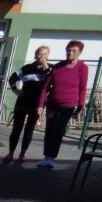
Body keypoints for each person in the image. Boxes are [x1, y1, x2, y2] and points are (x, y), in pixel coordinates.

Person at [36, 40, 89, 170]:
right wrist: (41, 105)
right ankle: (46, 157)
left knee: (58, 130)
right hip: (53, 103)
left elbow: (82, 88)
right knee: (50, 130)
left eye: (74, 51)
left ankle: (51, 158)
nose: (70, 53)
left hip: (68, 105)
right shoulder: (58, 67)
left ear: (80, 52)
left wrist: (80, 105)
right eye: (68, 50)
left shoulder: (82, 68)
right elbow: (46, 86)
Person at [2, 45, 50, 164]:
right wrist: (15, 90)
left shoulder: (50, 69)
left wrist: (45, 66)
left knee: (29, 129)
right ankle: (10, 153)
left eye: (44, 54)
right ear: (35, 55)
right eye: (39, 54)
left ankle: (22, 153)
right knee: (16, 128)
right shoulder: (27, 68)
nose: (41, 56)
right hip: (22, 102)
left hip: (37, 104)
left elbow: (52, 80)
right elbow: (12, 78)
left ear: (48, 56)